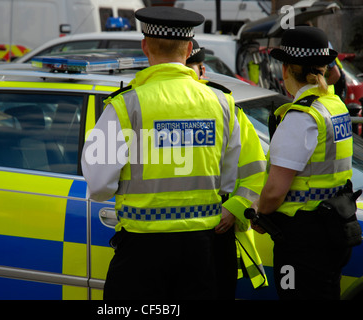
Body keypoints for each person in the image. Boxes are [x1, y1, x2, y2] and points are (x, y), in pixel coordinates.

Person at [81, 6, 242, 300]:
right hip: (201, 251)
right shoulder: (222, 103)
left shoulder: (125, 104)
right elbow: (229, 180)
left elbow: (99, 184)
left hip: (142, 252)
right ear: (190, 48)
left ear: (145, 46)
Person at [253, 26, 355, 300]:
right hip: (335, 225)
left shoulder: (302, 117)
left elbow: (276, 189)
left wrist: (260, 214)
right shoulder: (334, 106)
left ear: (286, 69)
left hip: (304, 236)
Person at [186, 40, 268, 298]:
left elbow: (256, 170)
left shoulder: (226, 108)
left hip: (214, 231)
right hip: (174, 235)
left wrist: (233, 210)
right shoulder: (147, 104)